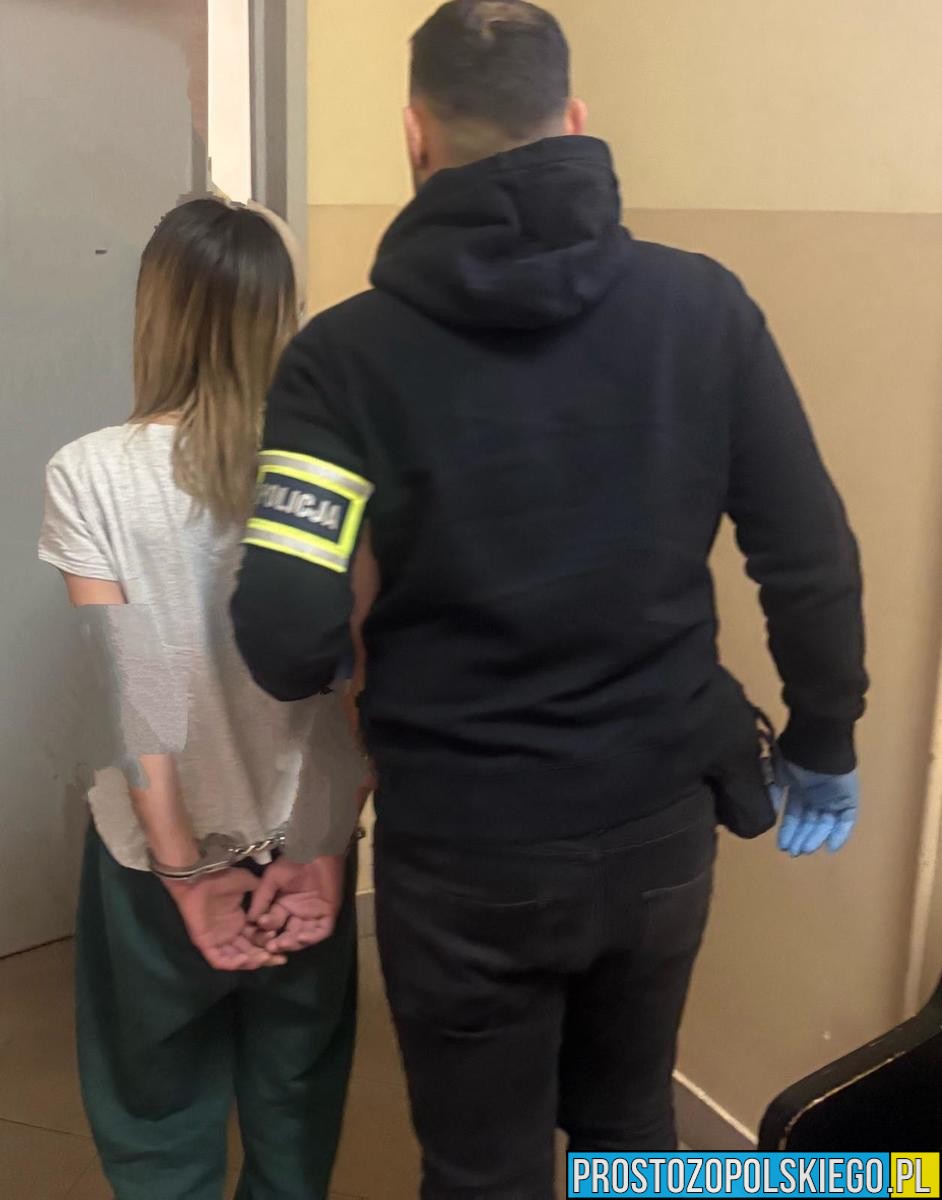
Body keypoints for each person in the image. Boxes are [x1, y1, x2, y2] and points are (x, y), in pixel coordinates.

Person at [231, 0, 867, 1193]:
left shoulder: (339, 361)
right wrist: (824, 736)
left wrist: (356, 657)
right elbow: (809, 551)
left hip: (462, 843)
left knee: (483, 1165)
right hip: (658, 818)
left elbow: (281, 633)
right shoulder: (704, 309)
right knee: (632, 1123)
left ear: (414, 133)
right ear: (576, 120)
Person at [38, 197, 362, 1200]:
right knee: (296, 1097)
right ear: (285, 315)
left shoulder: (90, 474)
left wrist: (183, 872)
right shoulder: (336, 475)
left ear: (156, 314)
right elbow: (359, 685)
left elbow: (139, 697)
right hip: (302, 843)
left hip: (153, 857)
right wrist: (322, 848)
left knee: (154, 1106)